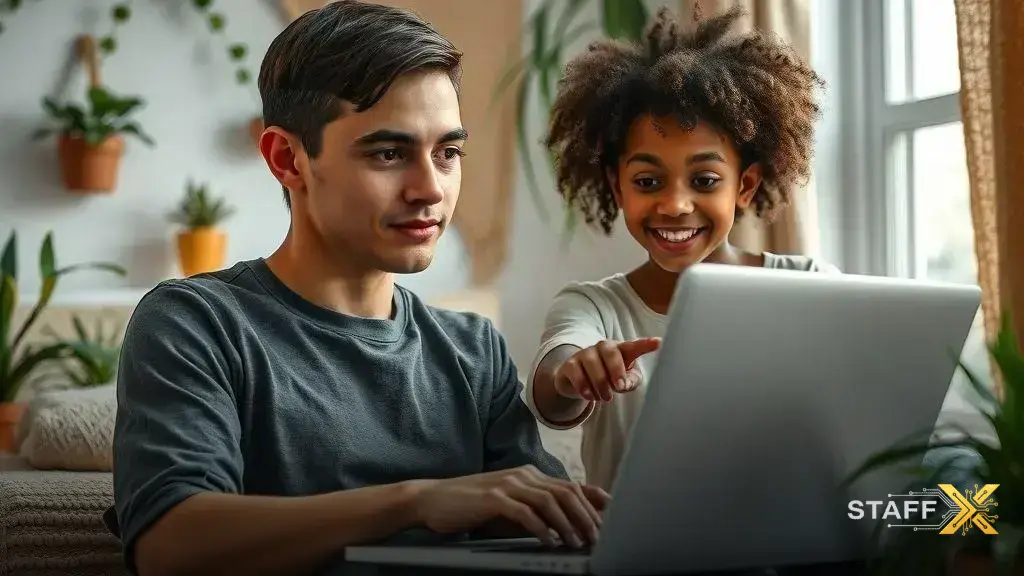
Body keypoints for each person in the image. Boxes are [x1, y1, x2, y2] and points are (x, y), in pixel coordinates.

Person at [105, 2, 608, 575]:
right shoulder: (196, 324)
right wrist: (415, 501)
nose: (430, 189)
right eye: (389, 153)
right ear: (287, 159)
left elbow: (550, 526)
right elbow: (168, 547)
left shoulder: (474, 352)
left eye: (448, 153)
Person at [525, 6, 841, 492]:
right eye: (648, 181)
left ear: (745, 186)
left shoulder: (810, 286)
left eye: (705, 180)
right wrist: (575, 373)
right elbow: (554, 383)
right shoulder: (594, 307)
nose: (674, 205)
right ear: (618, 187)